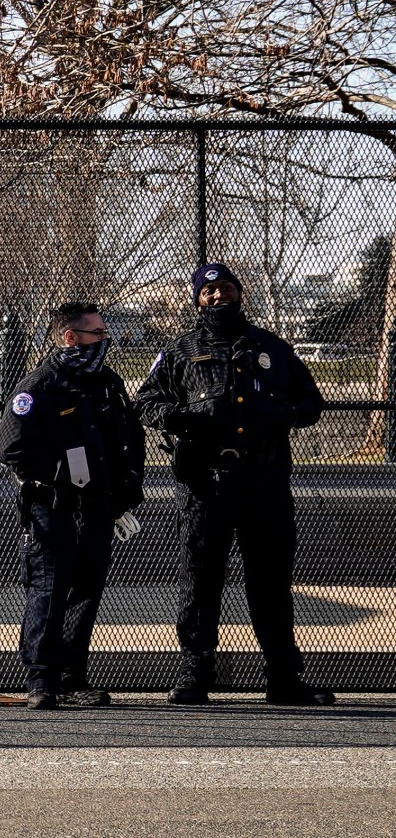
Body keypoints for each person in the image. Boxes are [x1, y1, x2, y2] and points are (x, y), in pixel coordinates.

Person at [135, 261, 335, 705]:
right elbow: (146, 401)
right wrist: (174, 417)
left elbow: (311, 403)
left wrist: (279, 413)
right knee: (201, 579)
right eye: (208, 292)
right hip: (206, 485)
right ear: (197, 299)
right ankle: (194, 673)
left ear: (239, 294)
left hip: (264, 483)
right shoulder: (180, 351)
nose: (217, 296)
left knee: (270, 581)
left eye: (225, 288)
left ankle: (283, 677)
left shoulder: (272, 348)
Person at [0, 301, 146, 708]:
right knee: (49, 589)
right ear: (70, 337)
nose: (105, 340)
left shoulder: (108, 384)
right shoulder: (39, 387)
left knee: (86, 590)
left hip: (98, 509)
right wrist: (63, 471)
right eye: (98, 334)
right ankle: (41, 680)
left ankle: (70, 676)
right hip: (54, 508)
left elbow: (131, 439)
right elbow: (12, 447)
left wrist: (129, 483)